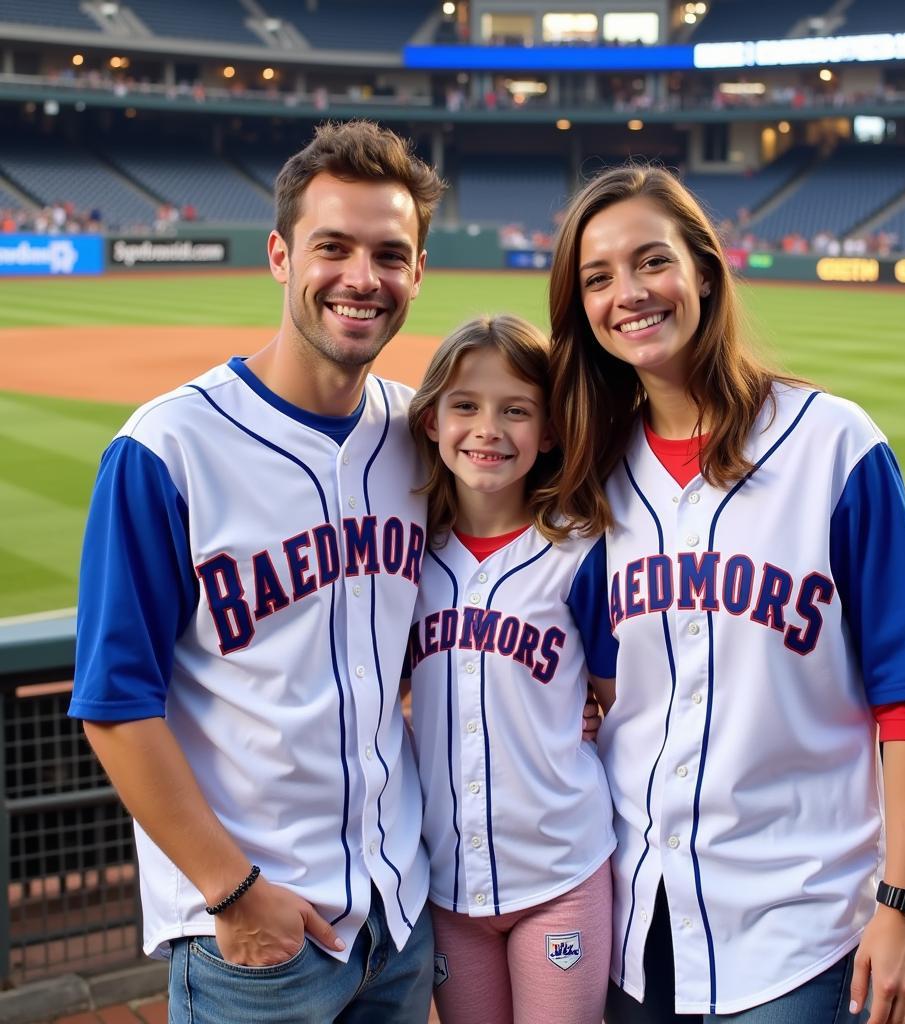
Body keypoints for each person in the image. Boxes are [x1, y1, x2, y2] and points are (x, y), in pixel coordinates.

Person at [547, 165, 905, 1024]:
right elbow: (603, 688)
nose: (628, 293)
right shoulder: (592, 481)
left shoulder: (833, 447)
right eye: (598, 277)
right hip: (638, 914)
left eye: (650, 261)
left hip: (801, 922)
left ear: (703, 270)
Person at [69, 120, 445, 1023]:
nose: (363, 277)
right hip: (256, 941)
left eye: (390, 254)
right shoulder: (166, 449)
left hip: (398, 918)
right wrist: (232, 895)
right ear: (281, 255)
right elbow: (117, 704)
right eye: (333, 248)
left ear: (418, 273)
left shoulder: (423, 435)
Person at [405, 314, 617, 1024]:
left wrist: (583, 711)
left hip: (559, 870)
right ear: (432, 420)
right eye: (465, 405)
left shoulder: (582, 553)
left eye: (516, 410)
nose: (488, 428)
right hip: (447, 882)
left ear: (549, 431)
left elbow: (626, 703)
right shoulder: (406, 556)